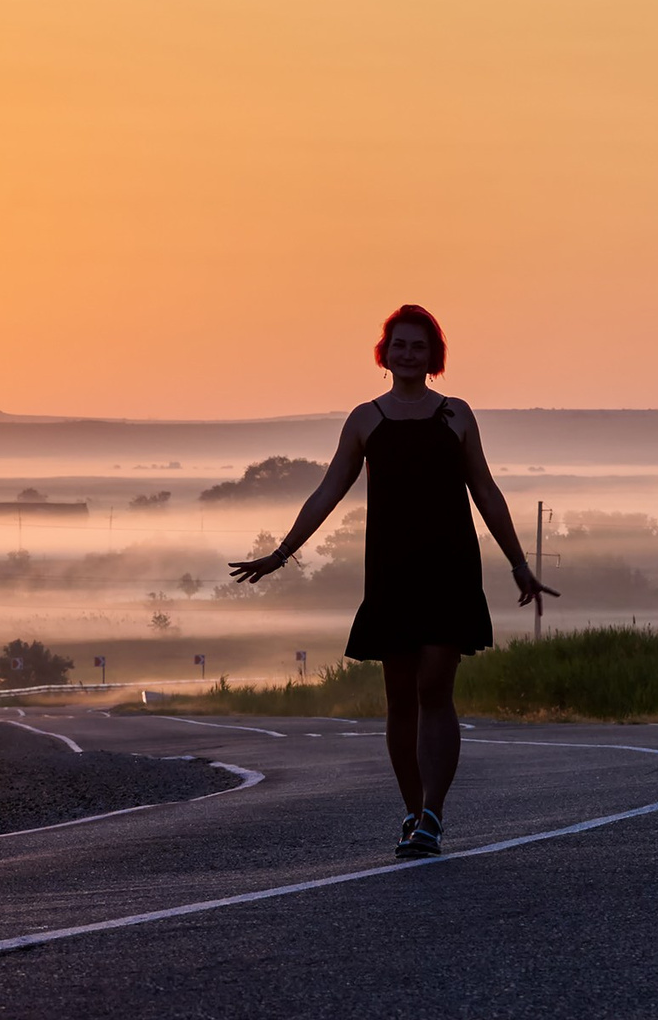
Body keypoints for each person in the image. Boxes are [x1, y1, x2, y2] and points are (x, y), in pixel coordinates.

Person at [228, 304, 554, 859]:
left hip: (450, 568)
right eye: (399, 345)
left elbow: (487, 491)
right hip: (391, 572)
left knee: (435, 691)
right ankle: (411, 809)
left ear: (434, 357)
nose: (408, 354)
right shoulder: (365, 419)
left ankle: (433, 815)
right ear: (385, 352)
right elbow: (328, 491)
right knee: (400, 698)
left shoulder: (457, 416)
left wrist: (520, 562)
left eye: (418, 346)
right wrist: (281, 554)